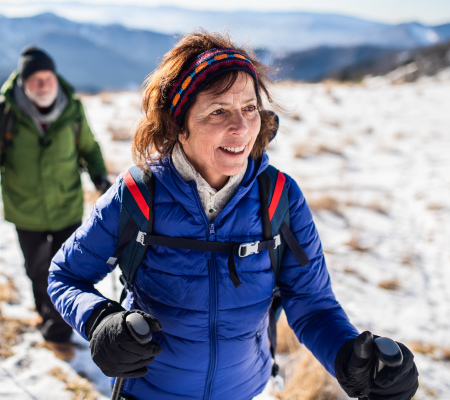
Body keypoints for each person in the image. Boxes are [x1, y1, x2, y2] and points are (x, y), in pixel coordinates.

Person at [48, 32, 419, 399]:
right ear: (180, 125)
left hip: (243, 390)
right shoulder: (138, 196)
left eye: (249, 108)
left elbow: (313, 305)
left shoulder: (279, 198)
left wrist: (350, 359)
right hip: (149, 391)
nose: (241, 128)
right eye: (218, 111)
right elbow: (65, 276)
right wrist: (99, 321)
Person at [0, 46, 111, 361]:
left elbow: (89, 147)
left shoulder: (72, 109)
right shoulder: (1, 113)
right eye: (36, 79)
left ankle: (56, 331)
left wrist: (99, 176)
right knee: (36, 270)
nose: (44, 85)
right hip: (26, 209)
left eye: (48, 78)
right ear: (23, 82)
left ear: (55, 78)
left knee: (68, 271)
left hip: (67, 206)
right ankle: (45, 313)